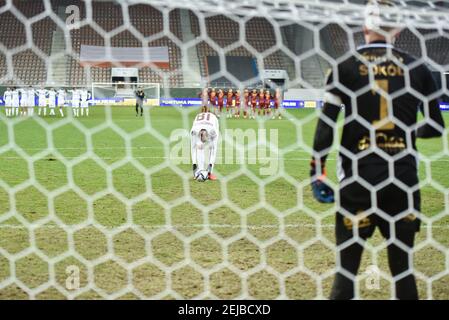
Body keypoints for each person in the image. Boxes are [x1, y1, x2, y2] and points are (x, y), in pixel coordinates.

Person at [310, 0, 445, 300]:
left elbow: (326, 127)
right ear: (398, 28)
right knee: (403, 273)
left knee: (346, 273)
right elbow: (436, 126)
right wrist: (407, 133)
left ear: (365, 26)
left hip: (359, 181)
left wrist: (316, 171)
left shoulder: (344, 66)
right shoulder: (418, 68)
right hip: (402, 182)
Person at [190, 111, 219, 181]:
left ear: (207, 135)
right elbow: (193, 148)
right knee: (199, 147)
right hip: (199, 123)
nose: (204, 142)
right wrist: (194, 164)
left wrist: (210, 165)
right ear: (199, 134)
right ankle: (200, 171)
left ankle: (209, 173)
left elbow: (214, 151)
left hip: (212, 120)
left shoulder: (213, 131)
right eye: (201, 139)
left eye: (204, 140)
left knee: (211, 148)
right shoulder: (193, 132)